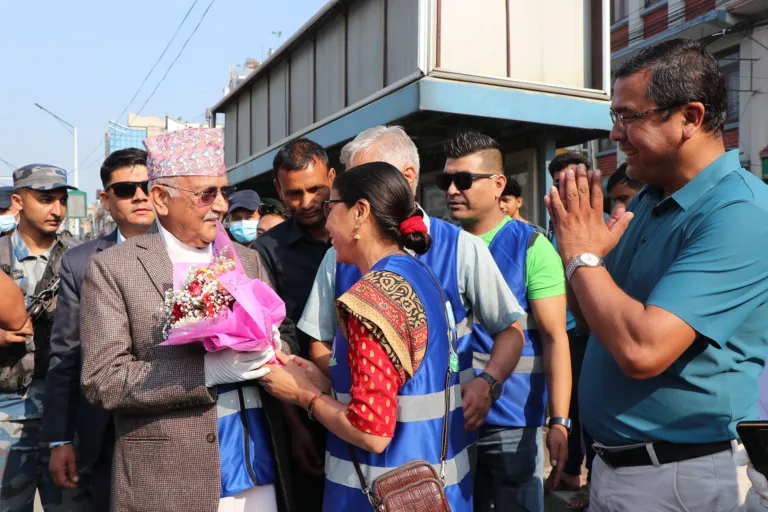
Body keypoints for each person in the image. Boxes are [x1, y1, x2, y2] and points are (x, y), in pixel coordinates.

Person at [546, 38, 768, 511]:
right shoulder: (649, 199)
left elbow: (642, 350)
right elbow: (591, 320)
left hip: (683, 476)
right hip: (618, 468)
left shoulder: (741, 213)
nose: (615, 134)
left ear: (689, 117)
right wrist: (576, 255)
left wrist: (584, 256)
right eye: (615, 116)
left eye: (629, 116)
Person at [78, 128, 297, 512]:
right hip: (171, 482)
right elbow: (103, 380)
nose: (221, 206)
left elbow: (285, 332)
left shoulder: (247, 259)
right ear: (161, 199)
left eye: (224, 191)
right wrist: (206, 372)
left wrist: (274, 347)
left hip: (257, 468)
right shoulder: (115, 269)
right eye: (206, 194)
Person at [260, 161, 473, 511]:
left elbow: (371, 432)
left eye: (331, 208)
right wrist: (323, 381)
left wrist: (304, 395)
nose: (326, 223)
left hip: (382, 495)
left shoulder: (371, 300)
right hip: (437, 489)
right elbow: (398, 387)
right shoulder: (418, 274)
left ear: (360, 212)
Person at [299, 126, 526, 451]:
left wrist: (488, 382)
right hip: (358, 453)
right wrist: (349, 379)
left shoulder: (460, 247)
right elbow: (320, 341)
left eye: (367, 178)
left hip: (436, 447)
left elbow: (510, 331)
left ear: (406, 177)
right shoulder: (336, 257)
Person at [441, 131, 571, 512]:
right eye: (446, 180)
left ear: (499, 184)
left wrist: (559, 421)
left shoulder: (531, 246)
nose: (452, 190)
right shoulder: (438, 245)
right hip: (449, 420)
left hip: (512, 423)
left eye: (463, 180)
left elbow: (555, 338)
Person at [43, 148, 155, 511]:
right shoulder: (81, 263)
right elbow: (66, 354)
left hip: (176, 418)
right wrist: (60, 438)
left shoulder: (189, 252)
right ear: (106, 200)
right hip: (106, 430)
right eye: (126, 190)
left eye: (147, 185)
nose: (140, 196)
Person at [252, 138, 335, 512]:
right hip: (301, 403)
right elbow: (269, 343)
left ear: (332, 177)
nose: (306, 202)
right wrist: (295, 425)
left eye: (316, 189)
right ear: (278, 189)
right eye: (294, 194)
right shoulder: (266, 252)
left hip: (366, 396)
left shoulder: (361, 236)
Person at [0, 164, 86, 511]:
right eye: (46, 199)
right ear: (18, 201)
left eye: (62, 200)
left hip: (68, 420)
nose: (57, 210)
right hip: (6, 416)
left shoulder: (83, 257)